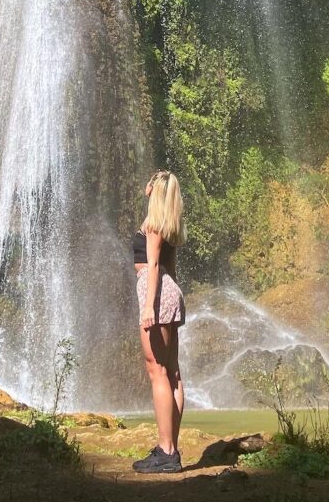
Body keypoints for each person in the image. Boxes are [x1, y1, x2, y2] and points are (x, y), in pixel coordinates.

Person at [131, 170, 186, 474]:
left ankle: (165, 451)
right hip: (171, 292)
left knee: (157, 371)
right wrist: (173, 305)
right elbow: (170, 269)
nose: (146, 182)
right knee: (173, 372)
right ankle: (171, 449)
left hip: (156, 292)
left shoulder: (153, 225)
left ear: (155, 189)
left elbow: (152, 265)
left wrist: (150, 306)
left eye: (151, 179)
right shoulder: (170, 225)